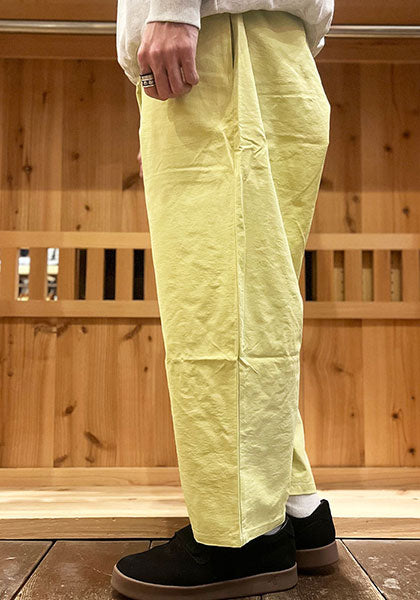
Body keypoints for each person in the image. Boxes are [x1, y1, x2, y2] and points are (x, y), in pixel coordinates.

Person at [111, 1, 338, 598]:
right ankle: (294, 508)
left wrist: (172, 8)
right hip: (272, 50)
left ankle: (239, 538)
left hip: (218, 45)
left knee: (217, 306)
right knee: (255, 299)